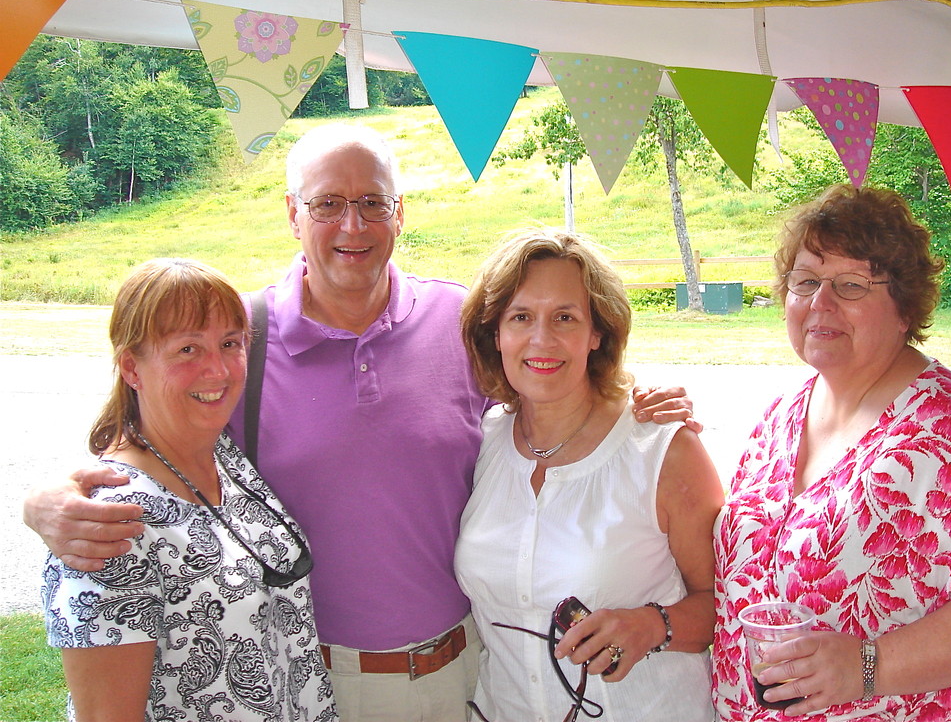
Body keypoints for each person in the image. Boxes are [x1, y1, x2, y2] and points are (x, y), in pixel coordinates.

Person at [24, 123, 695, 722]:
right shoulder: (242, 341)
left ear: (400, 214)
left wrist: (638, 397)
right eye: (327, 204)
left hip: (471, 674)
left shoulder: (456, 325)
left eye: (373, 202)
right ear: (293, 214)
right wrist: (46, 503)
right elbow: (154, 438)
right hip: (324, 686)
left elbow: (549, 382)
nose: (353, 226)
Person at [712, 184, 951, 721]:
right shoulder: (781, 417)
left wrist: (869, 665)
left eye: (850, 286)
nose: (819, 304)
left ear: (905, 308)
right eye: (805, 282)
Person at [41, 258, 335, 721]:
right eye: (187, 349)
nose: (217, 370)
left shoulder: (223, 457)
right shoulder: (112, 524)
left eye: (229, 344)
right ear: (132, 368)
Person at [455, 229, 723, 721]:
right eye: (520, 317)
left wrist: (654, 625)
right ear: (495, 334)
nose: (542, 339)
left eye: (565, 317)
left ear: (597, 333)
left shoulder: (662, 449)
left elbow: (729, 605)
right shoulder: (485, 440)